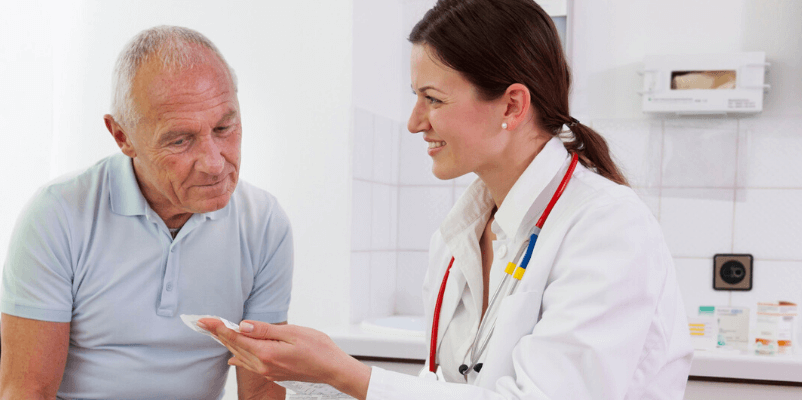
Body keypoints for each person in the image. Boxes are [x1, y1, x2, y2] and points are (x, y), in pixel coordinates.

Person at [199, 0, 693, 399]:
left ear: (512, 105)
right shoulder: (459, 235)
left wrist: (348, 374)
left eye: (432, 99)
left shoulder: (606, 226)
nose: (414, 121)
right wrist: (315, 374)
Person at [0, 26, 292, 400]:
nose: (215, 163)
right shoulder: (57, 215)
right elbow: (27, 390)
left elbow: (262, 391)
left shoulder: (264, 224)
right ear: (122, 137)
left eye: (224, 127)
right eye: (180, 139)